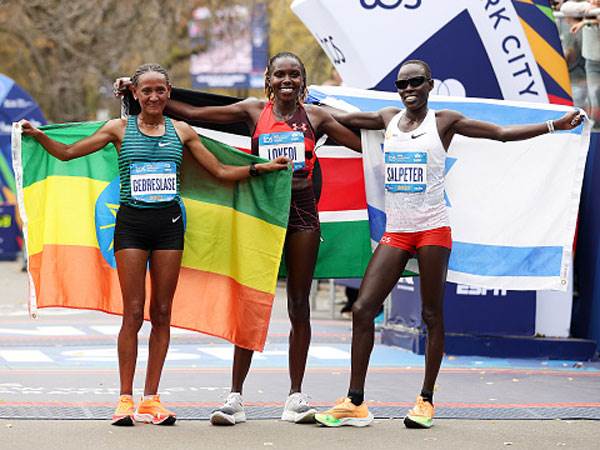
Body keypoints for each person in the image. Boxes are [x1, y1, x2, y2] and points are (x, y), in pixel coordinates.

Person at [314, 59, 584, 429]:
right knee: (362, 309)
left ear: (430, 85)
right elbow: (333, 120)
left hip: (432, 231)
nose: (409, 89)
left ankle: (425, 400)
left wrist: (554, 125)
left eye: (416, 82)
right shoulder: (387, 118)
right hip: (397, 230)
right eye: (402, 83)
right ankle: (355, 402)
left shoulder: (444, 122)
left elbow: (501, 133)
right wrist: (301, 104)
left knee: (431, 314)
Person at [21, 63, 288, 427]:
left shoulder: (182, 131)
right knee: (133, 312)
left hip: (169, 227)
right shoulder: (119, 128)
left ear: (169, 93)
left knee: (162, 313)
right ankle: (124, 399)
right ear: (135, 94)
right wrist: (38, 136)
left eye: (160, 90)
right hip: (131, 225)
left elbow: (221, 173)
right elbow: (69, 154)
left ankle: (151, 400)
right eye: (146, 90)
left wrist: (262, 169)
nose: (153, 97)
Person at [160, 52, 362, 425]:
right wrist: (143, 96)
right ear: (268, 79)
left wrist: (411, 134)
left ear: (303, 80)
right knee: (250, 301)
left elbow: (366, 147)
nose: (288, 80)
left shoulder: (316, 117)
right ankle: (235, 398)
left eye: (295, 74)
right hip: (262, 214)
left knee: (299, 304)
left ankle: (295, 398)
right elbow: (194, 114)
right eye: (280, 74)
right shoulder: (254, 111)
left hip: (302, 214)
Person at [562, 0, 600, 128]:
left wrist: (586, 21)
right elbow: (565, 8)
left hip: (580, 76)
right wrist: (590, 8)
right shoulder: (586, 9)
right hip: (592, 62)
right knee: (594, 97)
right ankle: (596, 130)